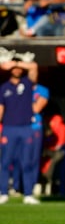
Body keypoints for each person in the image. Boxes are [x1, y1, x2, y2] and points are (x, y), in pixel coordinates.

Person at [0, 58, 40, 204]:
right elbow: (1, 109)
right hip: (9, 128)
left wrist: (16, 63)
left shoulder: (27, 83)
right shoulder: (4, 88)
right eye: (14, 68)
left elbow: (34, 66)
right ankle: (3, 192)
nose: (17, 70)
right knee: (5, 161)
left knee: (27, 162)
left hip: (26, 128)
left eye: (19, 68)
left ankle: (28, 194)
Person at [12, 83, 49, 194]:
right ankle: (16, 186)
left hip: (34, 128)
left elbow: (36, 108)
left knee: (33, 158)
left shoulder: (42, 90)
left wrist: (21, 104)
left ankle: (30, 187)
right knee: (17, 157)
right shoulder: (16, 87)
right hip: (18, 127)